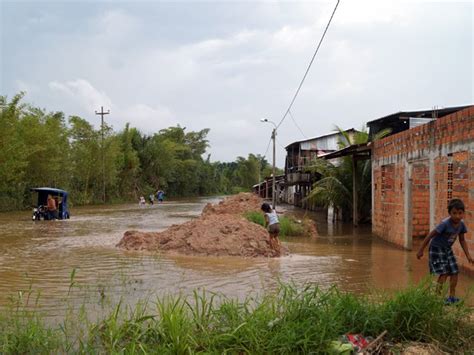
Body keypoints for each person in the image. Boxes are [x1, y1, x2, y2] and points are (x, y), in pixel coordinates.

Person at [417, 198, 473, 304]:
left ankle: (451, 297)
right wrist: (420, 250)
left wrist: (468, 256)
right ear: (449, 213)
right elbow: (430, 236)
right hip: (436, 249)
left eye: (460, 213)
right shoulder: (445, 224)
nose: (457, 216)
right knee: (444, 273)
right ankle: (436, 299)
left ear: (463, 213)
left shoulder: (461, 225)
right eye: (454, 213)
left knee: (455, 272)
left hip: (447, 249)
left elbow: (462, 240)